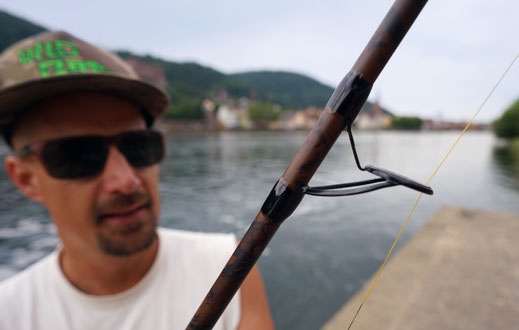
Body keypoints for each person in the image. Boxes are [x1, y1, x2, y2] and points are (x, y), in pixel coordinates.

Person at [0, 31, 274, 330]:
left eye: (138, 146)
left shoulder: (228, 265)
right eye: (77, 155)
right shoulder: (9, 313)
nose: (125, 181)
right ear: (26, 179)